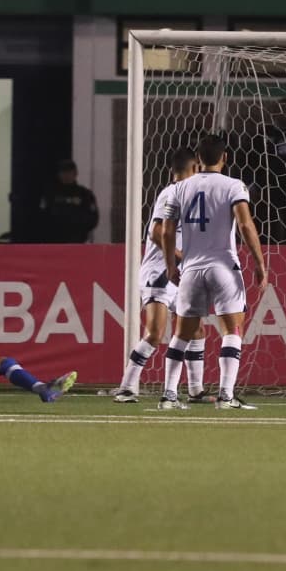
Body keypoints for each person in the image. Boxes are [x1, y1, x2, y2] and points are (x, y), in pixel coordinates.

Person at [158, 134, 269, 411]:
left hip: (192, 268)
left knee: (181, 333)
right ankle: (226, 395)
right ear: (225, 157)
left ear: (198, 159)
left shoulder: (179, 188)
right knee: (232, 330)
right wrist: (259, 264)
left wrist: (171, 265)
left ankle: (169, 396)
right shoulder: (234, 186)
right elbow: (245, 225)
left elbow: (168, 229)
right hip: (223, 266)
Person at [113, 148, 208, 403]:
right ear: (196, 169)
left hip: (179, 271)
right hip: (160, 272)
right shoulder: (171, 193)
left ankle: (196, 391)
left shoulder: (191, 194)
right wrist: (180, 256)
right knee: (155, 332)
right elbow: (156, 232)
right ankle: (126, 387)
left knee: (197, 329)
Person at [39, 160, 99, 243]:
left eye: (69, 172)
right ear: (59, 174)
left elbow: (93, 218)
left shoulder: (85, 194)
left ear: (75, 173)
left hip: (77, 241)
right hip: (54, 242)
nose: (66, 175)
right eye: (63, 172)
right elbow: (42, 217)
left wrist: (78, 227)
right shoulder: (50, 194)